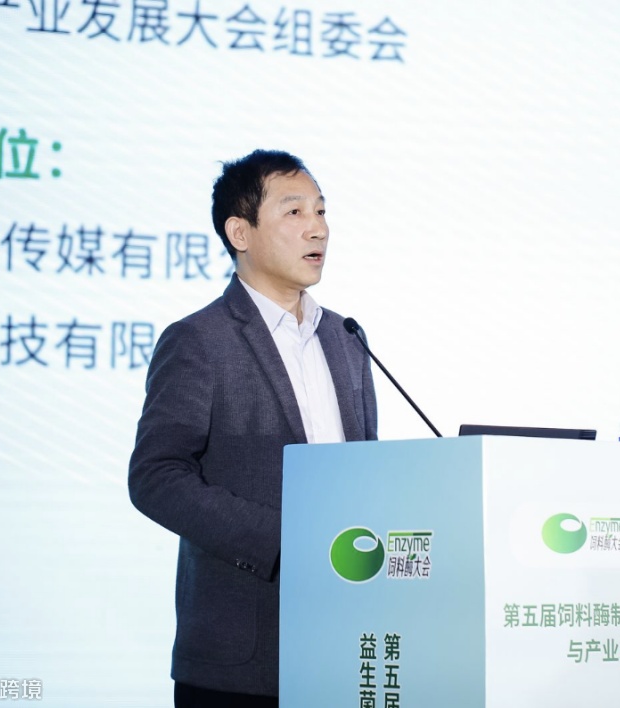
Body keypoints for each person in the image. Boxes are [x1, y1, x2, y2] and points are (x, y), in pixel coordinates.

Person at [128, 149, 378, 707]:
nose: (318, 228)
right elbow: (155, 476)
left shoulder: (346, 339)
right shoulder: (200, 340)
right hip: (241, 659)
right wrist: (284, 541)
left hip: (343, 649)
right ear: (240, 232)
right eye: (294, 212)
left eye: (321, 210)